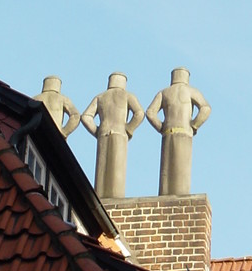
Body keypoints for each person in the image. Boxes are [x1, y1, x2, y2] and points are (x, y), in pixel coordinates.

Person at [145, 67, 210, 196]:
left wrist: (162, 127)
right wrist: (194, 125)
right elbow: (206, 108)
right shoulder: (191, 91)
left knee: (166, 172)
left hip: (168, 132)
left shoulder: (164, 92)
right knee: (181, 172)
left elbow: (150, 112)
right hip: (184, 132)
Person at [81, 73, 144, 199]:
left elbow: (86, 117)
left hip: (103, 133)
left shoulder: (100, 97)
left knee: (102, 169)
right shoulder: (127, 95)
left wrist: (97, 132)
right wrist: (129, 129)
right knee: (117, 169)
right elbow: (139, 113)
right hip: (120, 133)